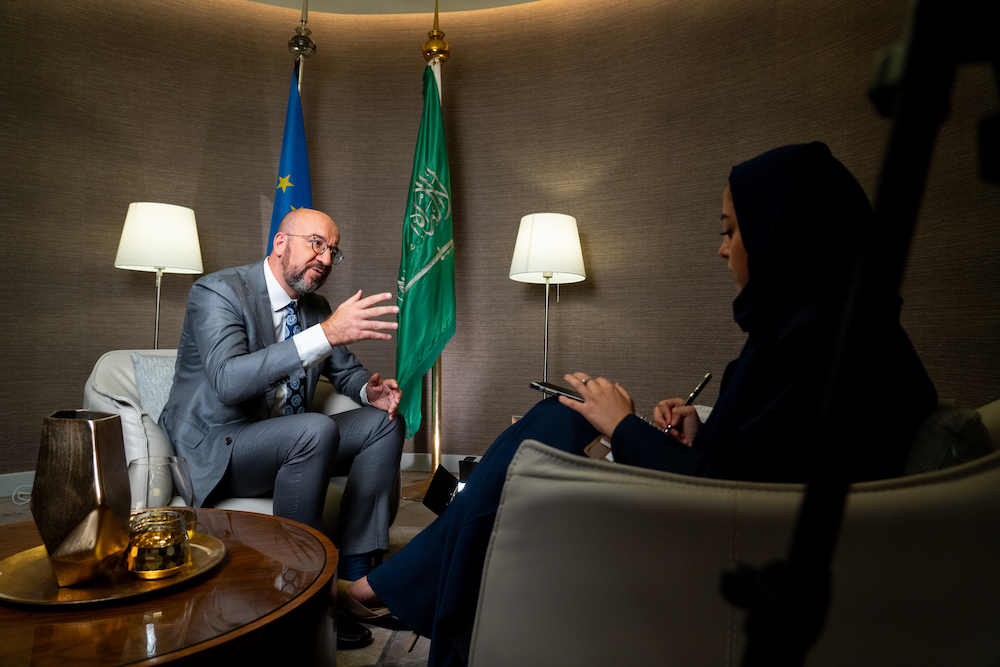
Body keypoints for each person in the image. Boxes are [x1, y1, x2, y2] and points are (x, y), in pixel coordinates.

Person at [342, 142, 938, 666]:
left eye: (731, 230)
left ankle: (388, 592)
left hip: (719, 548)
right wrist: (700, 429)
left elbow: (739, 499)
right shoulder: (828, 323)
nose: (721, 249)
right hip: (729, 521)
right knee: (552, 423)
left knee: (550, 425)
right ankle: (392, 591)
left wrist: (623, 425)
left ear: (784, 230)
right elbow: (772, 456)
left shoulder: (821, 340)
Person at [159, 208, 405, 586]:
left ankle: (358, 574)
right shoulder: (217, 292)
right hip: (219, 446)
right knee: (313, 429)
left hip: (290, 442)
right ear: (279, 243)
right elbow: (228, 381)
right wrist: (324, 334)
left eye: (332, 251)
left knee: (384, 423)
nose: (325, 259)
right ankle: (306, 585)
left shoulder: (315, 308)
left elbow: (344, 370)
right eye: (316, 244)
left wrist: (367, 390)